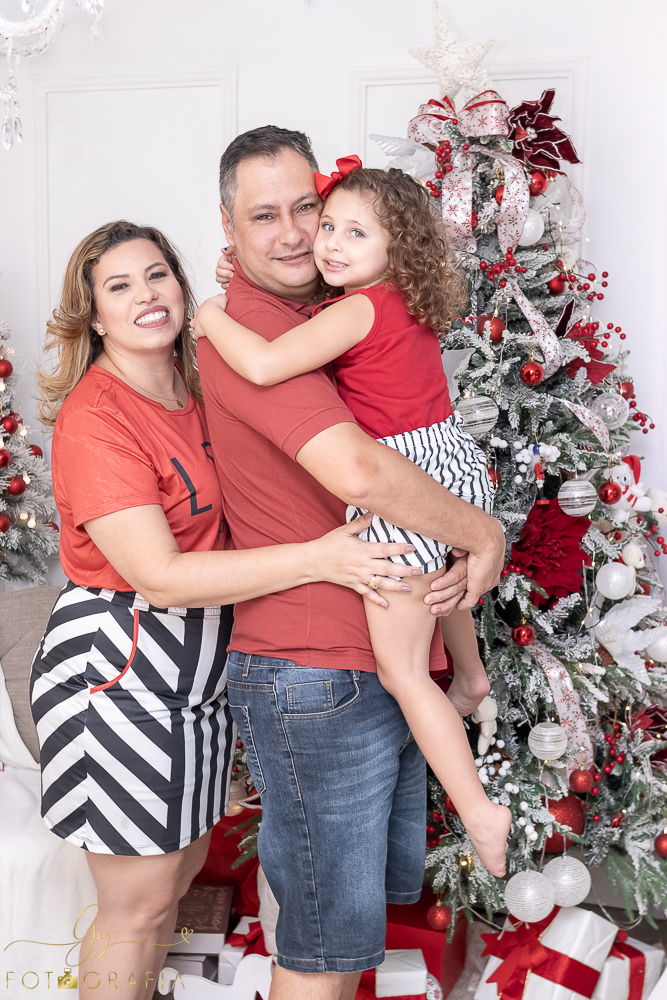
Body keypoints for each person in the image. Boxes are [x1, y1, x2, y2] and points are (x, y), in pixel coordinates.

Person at [30, 220, 424, 1000]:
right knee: (137, 907)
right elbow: (164, 577)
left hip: (204, 671)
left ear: (184, 285)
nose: (145, 296)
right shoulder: (96, 417)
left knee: (174, 879)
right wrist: (322, 558)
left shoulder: (202, 381)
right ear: (93, 315)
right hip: (119, 674)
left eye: (157, 276)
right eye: (120, 286)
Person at [196, 125, 506, 1000]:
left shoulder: (326, 309)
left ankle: (468, 682)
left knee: (335, 930)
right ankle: (477, 757)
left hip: (354, 657)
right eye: (270, 217)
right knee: (322, 951)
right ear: (228, 227)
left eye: (313, 211)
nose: (301, 234)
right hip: (313, 673)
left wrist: (464, 539)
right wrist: (481, 534)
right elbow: (362, 470)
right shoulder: (258, 324)